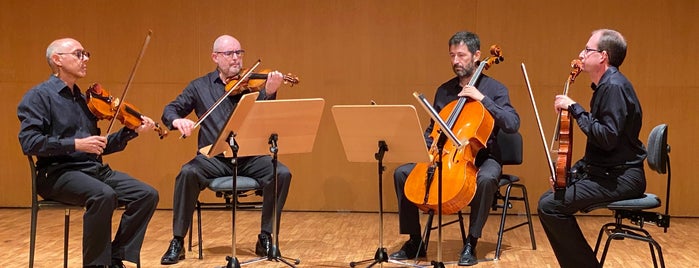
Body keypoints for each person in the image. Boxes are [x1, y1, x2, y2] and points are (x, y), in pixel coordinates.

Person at [17, 38, 159, 268]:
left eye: (86, 54)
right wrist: (76, 144)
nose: (86, 59)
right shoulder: (39, 97)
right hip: (56, 173)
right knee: (103, 195)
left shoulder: (86, 100)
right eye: (79, 54)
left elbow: (99, 145)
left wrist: (131, 131)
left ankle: (114, 258)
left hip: (92, 170)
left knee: (146, 194)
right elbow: (29, 142)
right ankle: (95, 265)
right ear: (57, 60)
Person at [159, 34, 293, 265]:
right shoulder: (199, 86)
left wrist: (268, 93)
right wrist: (177, 121)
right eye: (229, 54)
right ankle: (177, 240)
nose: (236, 59)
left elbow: (263, 120)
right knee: (187, 173)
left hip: (249, 156)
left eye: (239, 53)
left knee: (281, 173)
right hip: (213, 158)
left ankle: (265, 237)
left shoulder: (252, 84)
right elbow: (170, 109)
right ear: (215, 57)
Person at [390, 31, 520, 266]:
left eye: (461, 55)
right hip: (446, 154)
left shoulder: (495, 89)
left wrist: (482, 99)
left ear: (477, 56)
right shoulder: (444, 91)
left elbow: (512, 124)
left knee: (486, 179)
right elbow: (434, 130)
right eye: (452, 55)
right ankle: (414, 241)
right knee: (402, 173)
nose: (456, 61)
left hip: (482, 156)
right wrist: (420, 148)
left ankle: (471, 242)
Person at [537, 29, 646, 268]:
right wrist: (570, 174)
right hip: (609, 172)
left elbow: (607, 138)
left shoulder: (614, 87)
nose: (581, 54)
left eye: (587, 49)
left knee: (550, 206)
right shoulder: (606, 86)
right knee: (549, 200)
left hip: (622, 178)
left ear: (603, 56)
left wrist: (575, 109)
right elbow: (599, 152)